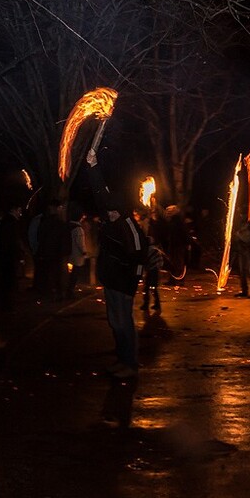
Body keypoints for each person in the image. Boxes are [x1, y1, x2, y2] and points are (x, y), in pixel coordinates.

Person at [86, 147, 148, 380]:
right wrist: (93, 166)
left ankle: (130, 364)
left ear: (119, 209)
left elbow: (139, 257)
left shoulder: (129, 226)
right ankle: (121, 359)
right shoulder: (110, 219)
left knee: (124, 324)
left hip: (124, 284)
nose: (108, 214)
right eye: (108, 210)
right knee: (115, 323)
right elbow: (100, 193)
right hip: (111, 282)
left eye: (112, 211)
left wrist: (133, 283)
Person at [0, 203, 24, 311]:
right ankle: (9, 306)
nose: (20, 213)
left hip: (4, 255)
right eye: (19, 210)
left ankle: (4, 304)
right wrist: (20, 256)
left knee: (5, 280)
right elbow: (15, 241)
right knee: (10, 281)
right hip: (11, 256)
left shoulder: (3, 222)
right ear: (14, 210)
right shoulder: (13, 223)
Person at [65, 202, 89, 299]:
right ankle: (70, 292)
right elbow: (80, 243)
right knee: (74, 275)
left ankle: (68, 290)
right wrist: (85, 252)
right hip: (77, 256)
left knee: (70, 274)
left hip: (69, 254)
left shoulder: (68, 226)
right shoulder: (78, 229)